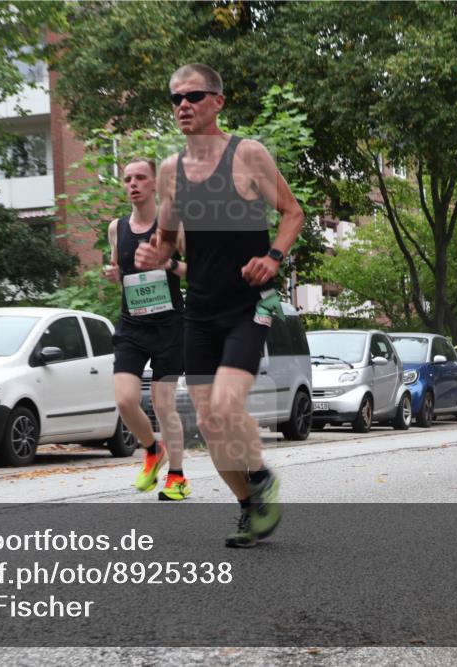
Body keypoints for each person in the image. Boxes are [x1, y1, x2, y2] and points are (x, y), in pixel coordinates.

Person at [135, 63, 304, 548]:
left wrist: (273, 257)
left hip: (248, 306)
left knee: (227, 407)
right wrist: (155, 254)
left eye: (194, 96)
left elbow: (292, 213)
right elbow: (168, 240)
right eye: (175, 99)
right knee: (208, 424)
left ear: (217, 102)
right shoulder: (169, 172)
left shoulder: (247, 155)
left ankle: (259, 477)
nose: (183, 105)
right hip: (200, 312)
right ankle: (251, 505)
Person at [103, 158, 190, 500]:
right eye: (127, 179)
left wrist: (166, 262)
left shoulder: (173, 225)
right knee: (125, 400)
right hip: (132, 326)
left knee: (163, 404)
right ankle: (153, 449)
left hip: (169, 325)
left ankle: (178, 477)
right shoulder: (116, 228)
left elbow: (193, 270)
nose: (133, 184)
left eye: (140, 177)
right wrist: (114, 276)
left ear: (155, 184)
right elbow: (119, 270)